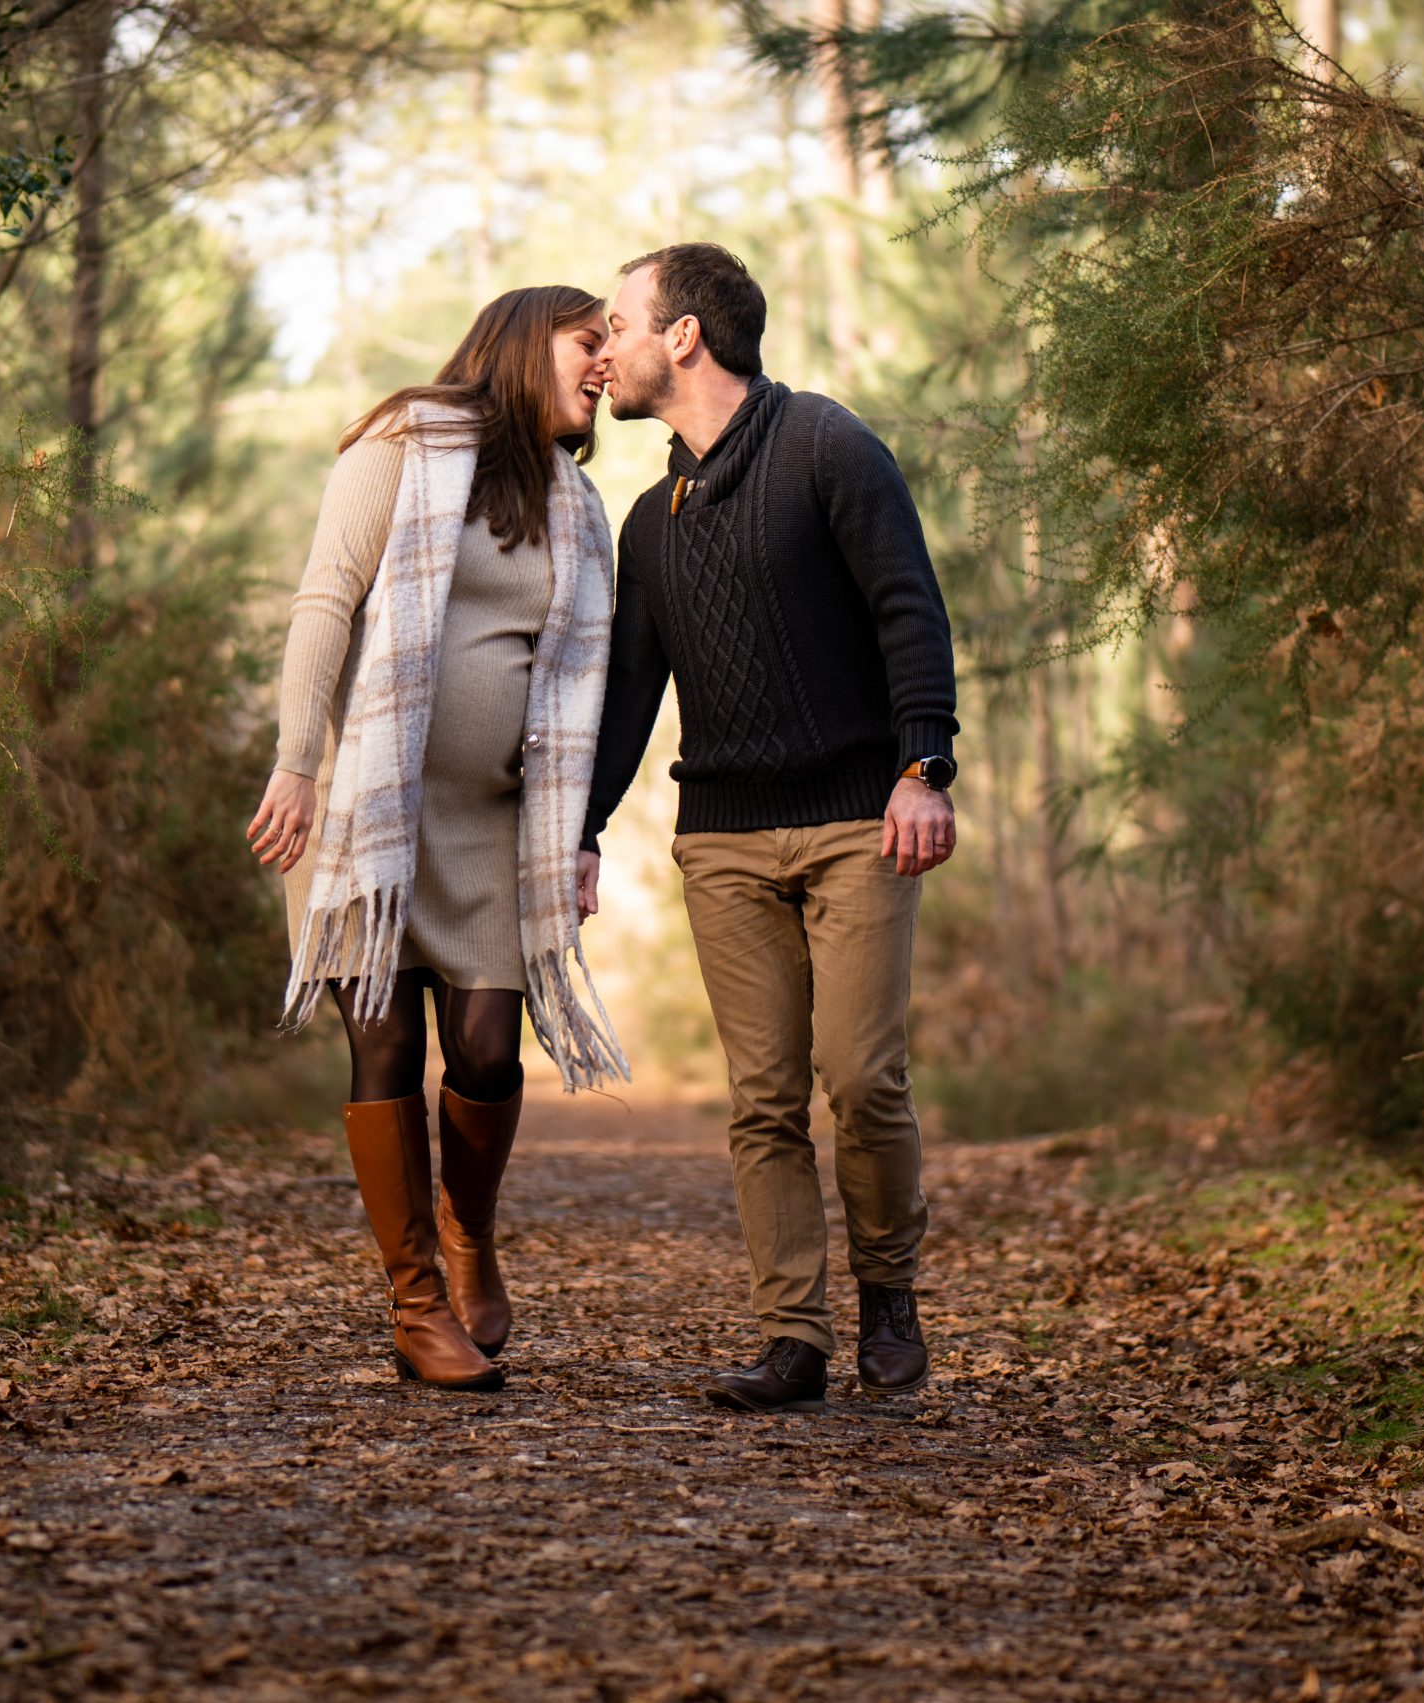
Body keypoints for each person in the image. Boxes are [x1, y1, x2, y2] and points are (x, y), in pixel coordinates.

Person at [579, 243, 959, 1413]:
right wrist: (581, 831)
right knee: (761, 1098)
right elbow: (630, 693)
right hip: (724, 841)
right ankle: (793, 1335)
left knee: (863, 1076)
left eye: (618, 326)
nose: (603, 351)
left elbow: (907, 605)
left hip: (857, 820)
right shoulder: (650, 524)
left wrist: (924, 766)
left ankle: (888, 1293)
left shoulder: (825, 446)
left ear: (683, 334)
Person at [248, 286, 630, 1395]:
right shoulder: (400, 442)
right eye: (588, 341)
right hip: (367, 814)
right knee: (383, 1050)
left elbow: (583, 674)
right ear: (523, 342)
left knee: (488, 1050)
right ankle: (415, 1304)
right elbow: (325, 600)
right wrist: (296, 760)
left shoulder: (574, 502)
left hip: (495, 827)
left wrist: (579, 830)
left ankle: (468, 1230)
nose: (604, 362)